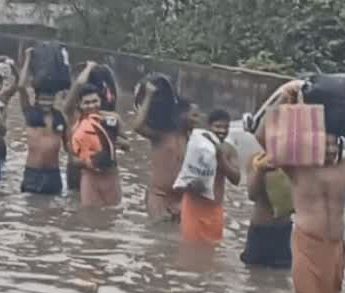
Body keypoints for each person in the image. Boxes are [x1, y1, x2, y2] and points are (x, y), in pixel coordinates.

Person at [257, 80, 345, 293]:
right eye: (324, 144)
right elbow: (262, 137)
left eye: (333, 145)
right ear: (313, 144)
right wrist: (282, 101)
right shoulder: (298, 168)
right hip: (308, 245)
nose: (329, 149)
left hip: (336, 247)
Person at [134, 82, 203, 222]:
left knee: (175, 240)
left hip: (181, 198)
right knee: (159, 234)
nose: (198, 120)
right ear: (182, 114)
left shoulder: (192, 139)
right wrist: (148, 95)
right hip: (159, 196)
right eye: (194, 115)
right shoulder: (162, 134)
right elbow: (138, 126)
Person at [178, 109, 241, 243]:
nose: (222, 131)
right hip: (193, 207)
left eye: (226, 127)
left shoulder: (229, 149)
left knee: (211, 253)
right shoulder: (195, 145)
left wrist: (220, 157)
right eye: (218, 126)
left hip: (214, 210)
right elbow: (183, 172)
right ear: (209, 127)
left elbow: (236, 179)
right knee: (189, 250)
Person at [17, 48, 66, 195]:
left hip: (53, 174)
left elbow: (69, 145)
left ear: (54, 99)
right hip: (33, 173)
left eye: (49, 100)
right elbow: (20, 86)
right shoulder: (30, 113)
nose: (46, 103)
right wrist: (27, 59)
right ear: (36, 99)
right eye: (42, 99)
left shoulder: (59, 117)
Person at [66, 81, 123, 207]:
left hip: (111, 175)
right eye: (86, 103)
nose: (91, 106)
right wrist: (91, 161)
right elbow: (73, 159)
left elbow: (127, 144)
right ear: (79, 105)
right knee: (90, 217)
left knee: (114, 214)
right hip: (90, 177)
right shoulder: (76, 128)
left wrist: (116, 143)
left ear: (100, 101)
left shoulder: (113, 119)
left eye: (95, 101)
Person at [242, 149, 295, 268]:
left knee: (282, 279)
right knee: (254, 276)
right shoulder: (257, 159)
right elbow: (252, 195)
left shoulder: (296, 161)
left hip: (284, 231)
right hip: (259, 230)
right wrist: (261, 171)